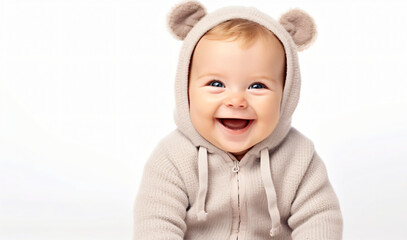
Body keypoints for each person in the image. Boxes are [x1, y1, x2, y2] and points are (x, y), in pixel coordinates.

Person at [133, 1, 343, 239]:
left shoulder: (299, 158)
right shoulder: (173, 157)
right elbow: (155, 224)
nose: (236, 100)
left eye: (257, 86)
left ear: (286, 95)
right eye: (216, 84)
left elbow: (320, 221)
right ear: (186, 90)